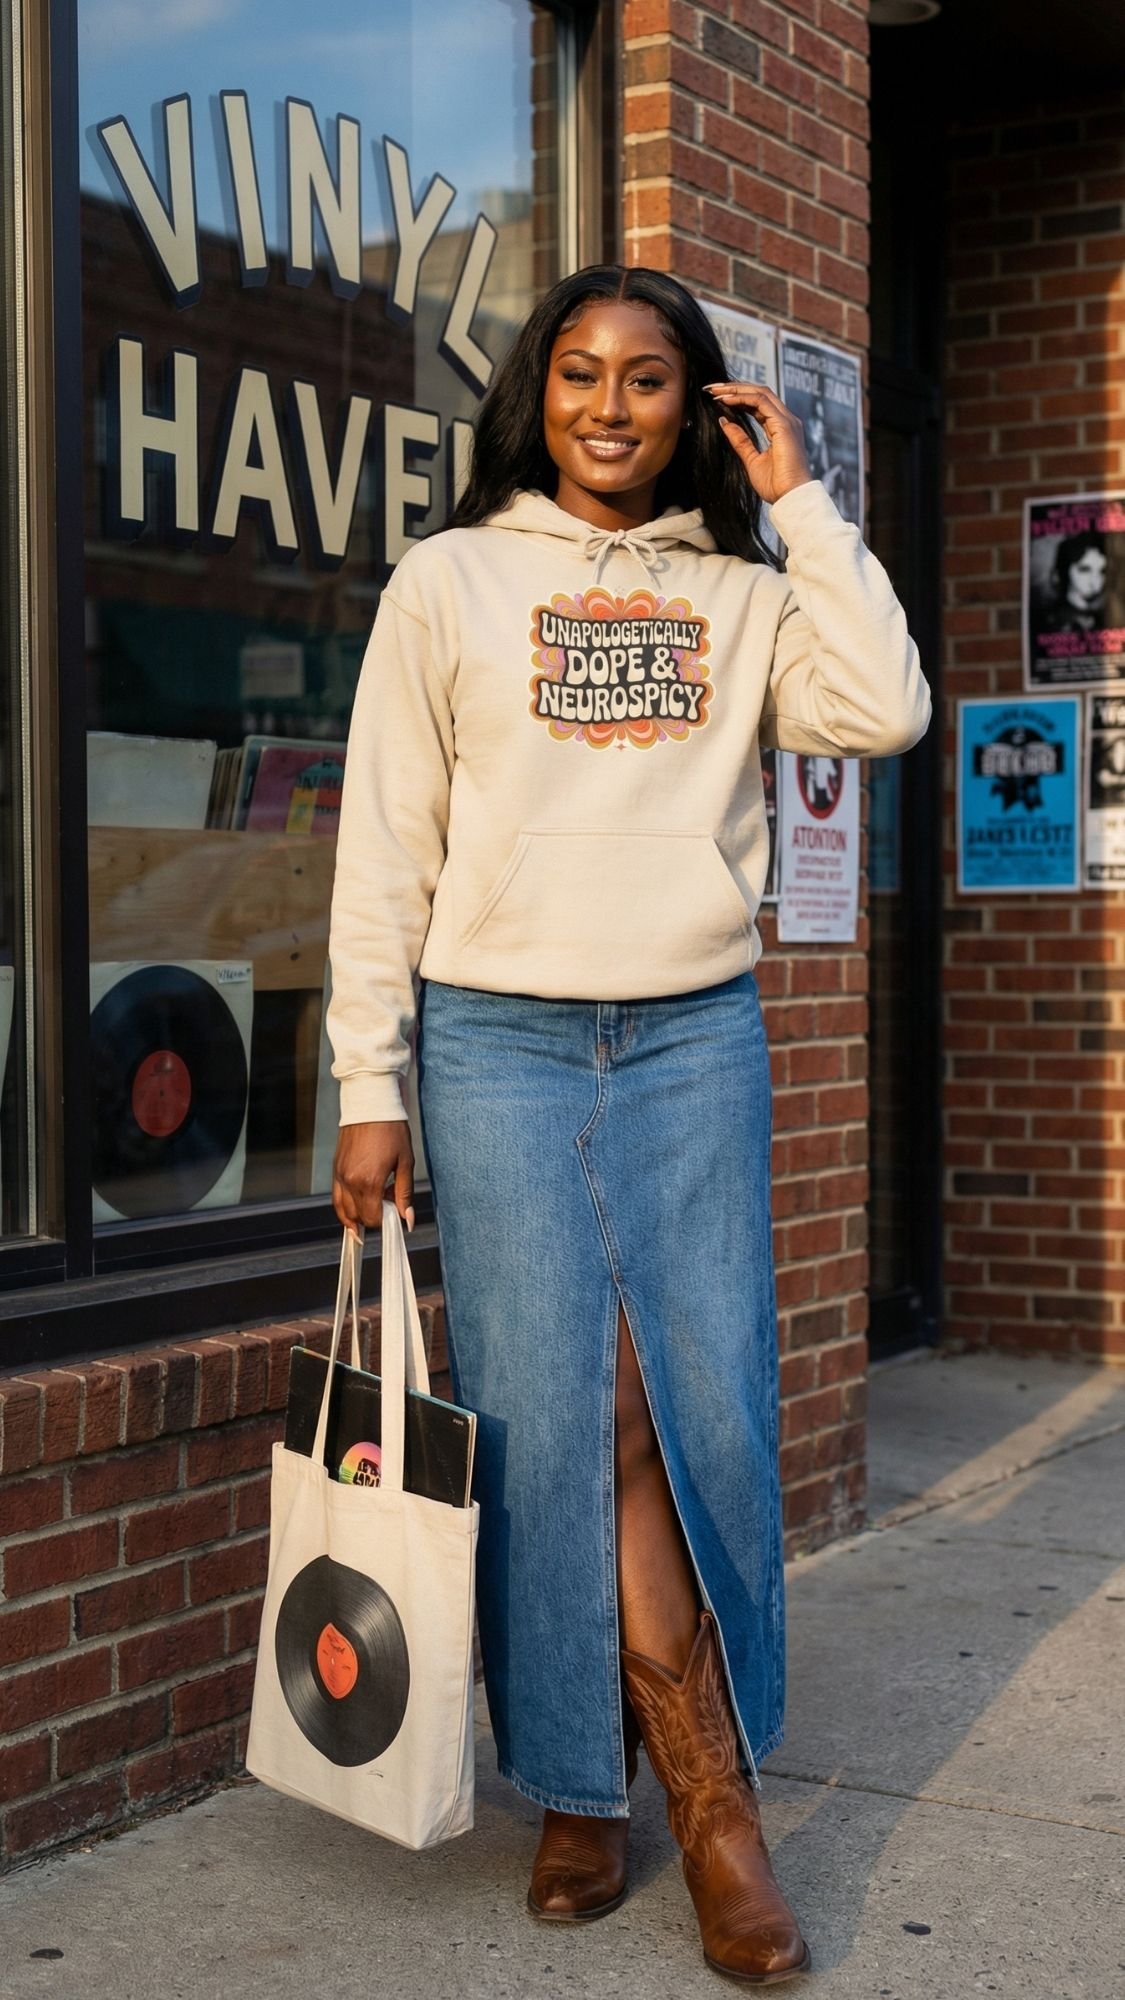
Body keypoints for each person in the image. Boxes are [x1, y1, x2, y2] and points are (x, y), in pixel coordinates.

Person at [327, 265, 930, 1985]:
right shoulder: (448, 583)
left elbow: (882, 709)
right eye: (580, 374)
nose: (609, 406)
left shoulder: (744, 598)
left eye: (649, 380)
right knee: (556, 1412)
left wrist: (800, 496)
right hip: (500, 1037)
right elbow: (385, 845)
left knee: (687, 1410)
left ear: (695, 407)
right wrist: (370, 1084)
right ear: (540, 393)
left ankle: (635, 1786)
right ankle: (658, 1798)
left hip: (688, 1036)